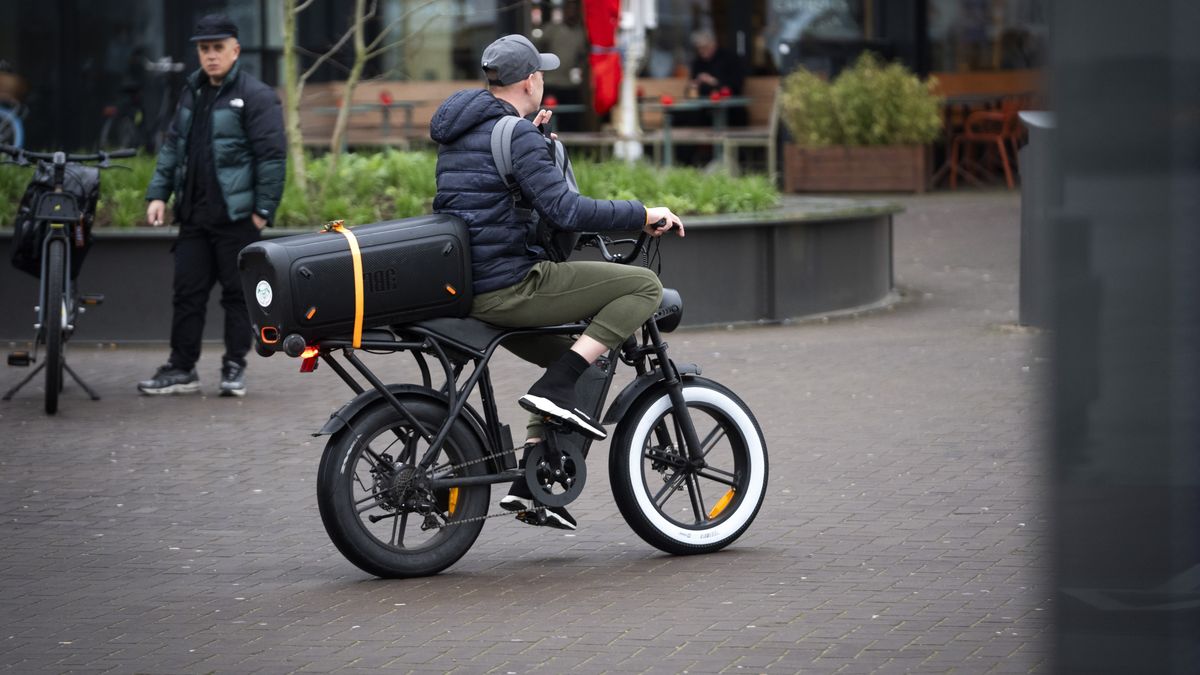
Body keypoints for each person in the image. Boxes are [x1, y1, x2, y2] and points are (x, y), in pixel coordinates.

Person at [429, 34, 685, 530]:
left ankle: (531, 486)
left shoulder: (465, 131)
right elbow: (565, 209)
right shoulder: (514, 134)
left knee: (587, 357)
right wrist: (642, 213)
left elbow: (491, 202)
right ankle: (555, 382)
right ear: (531, 80)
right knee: (642, 287)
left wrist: (533, 142)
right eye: (540, 73)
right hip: (512, 285)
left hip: (469, 287)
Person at [138, 14, 286, 397]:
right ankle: (182, 368)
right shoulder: (192, 91)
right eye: (204, 49)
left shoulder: (256, 96)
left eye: (218, 48)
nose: (211, 55)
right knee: (187, 293)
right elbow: (172, 147)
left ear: (235, 50)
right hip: (194, 215)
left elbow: (272, 157)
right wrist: (158, 195)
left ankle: (234, 366)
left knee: (237, 296)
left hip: (236, 217)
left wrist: (262, 212)